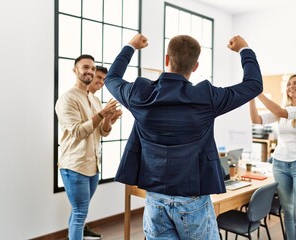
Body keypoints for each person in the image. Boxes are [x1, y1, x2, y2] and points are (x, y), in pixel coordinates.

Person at [104, 33, 263, 239]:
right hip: (193, 200)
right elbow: (254, 84)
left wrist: (130, 47)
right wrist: (244, 49)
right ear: (195, 66)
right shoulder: (207, 97)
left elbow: (111, 78)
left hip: (155, 199)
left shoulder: (139, 94)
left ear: (167, 59)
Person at [55, 55, 119, 240]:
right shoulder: (67, 99)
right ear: (75, 70)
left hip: (93, 165)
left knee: (79, 212)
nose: (90, 71)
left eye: (92, 68)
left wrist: (108, 119)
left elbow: (103, 132)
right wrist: (101, 114)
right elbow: (77, 132)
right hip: (74, 165)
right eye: (85, 67)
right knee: (80, 213)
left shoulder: (95, 99)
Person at [249, 74, 296, 240]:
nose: (291, 86)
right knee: (288, 212)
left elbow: (280, 112)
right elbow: (256, 119)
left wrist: (258, 92)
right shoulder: (283, 108)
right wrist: (251, 98)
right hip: (280, 163)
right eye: (289, 84)